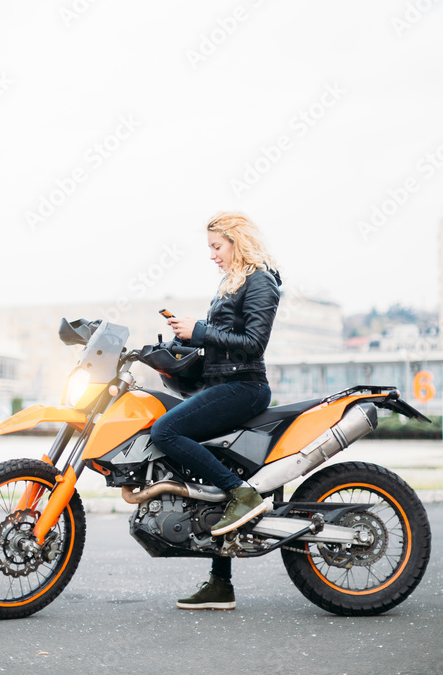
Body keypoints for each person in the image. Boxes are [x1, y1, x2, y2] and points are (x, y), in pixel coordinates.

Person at [149, 210, 282, 610]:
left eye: (216, 246)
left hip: (244, 387)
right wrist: (179, 350)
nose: (211, 255)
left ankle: (241, 495)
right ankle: (220, 584)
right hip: (222, 383)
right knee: (199, 472)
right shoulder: (232, 282)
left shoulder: (261, 281)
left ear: (236, 242)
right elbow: (222, 344)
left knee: (165, 432)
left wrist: (201, 331)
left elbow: (253, 342)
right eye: (210, 247)